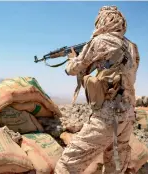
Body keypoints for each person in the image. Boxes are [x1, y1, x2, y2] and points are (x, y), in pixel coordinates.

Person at [54, 6, 140, 174]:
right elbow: (121, 72)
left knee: (66, 165)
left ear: (102, 21)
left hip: (106, 118)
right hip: (127, 117)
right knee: (115, 168)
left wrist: (71, 58)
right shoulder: (132, 47)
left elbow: (73, 69)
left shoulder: (100, 40)